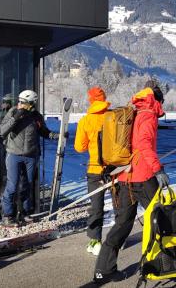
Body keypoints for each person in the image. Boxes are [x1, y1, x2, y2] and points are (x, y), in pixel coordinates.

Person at [94, 82, 170, 283]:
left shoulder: (133, 112)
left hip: (123, 178)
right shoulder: (148, 115)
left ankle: (103, 270)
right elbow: (144, 144)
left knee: (123, 224)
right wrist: (158, 169)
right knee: (160, 218)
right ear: (157, 100)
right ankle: (164, 261)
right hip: (142, 177)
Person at [0, 90, 61, 227]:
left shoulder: (36, 116)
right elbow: (2, 131)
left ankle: (24, 213)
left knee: (27, 185)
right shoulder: (13, 111)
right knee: (12, 185)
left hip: (31, 156)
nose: (21, 104)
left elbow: (43, 131)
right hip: (14, 154)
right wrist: (16, 117)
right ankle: (8, 216)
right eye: (20, 102)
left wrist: (56, 136)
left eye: (24, 103)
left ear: (32, 103)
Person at [74, 87, 111, 256]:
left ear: (90, 101)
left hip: (96, 169)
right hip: (116, 168)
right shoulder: (113, 116)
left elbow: (79, 147)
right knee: (120, 205)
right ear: (104, 99)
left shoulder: (85, 120)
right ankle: (118, 238)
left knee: (96, 207)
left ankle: (95, 241)